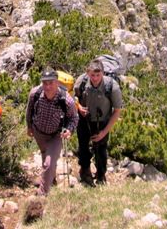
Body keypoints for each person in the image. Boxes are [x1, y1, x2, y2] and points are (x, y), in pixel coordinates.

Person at [26, 68, 78, 196]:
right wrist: (29, 126)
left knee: (48, 162)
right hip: (39, 132)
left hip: (56, 135)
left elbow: (74, 117)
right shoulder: (35, 94)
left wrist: (69, 130)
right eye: (45, 83)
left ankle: (42, 194)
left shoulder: (66, 100)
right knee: (45, 156)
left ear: (57, 83)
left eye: (51, 83)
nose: (48, 86)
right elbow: (29, 110)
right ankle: (51, 179)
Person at [74, 58, 123, 186]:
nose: (95, 78)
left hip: (102, 121)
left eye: (98, 75)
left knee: (100, 148)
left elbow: (117, 111)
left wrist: (104, 132)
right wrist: (79, 107)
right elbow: (74, 97)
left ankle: (101, 175)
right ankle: (85, 170)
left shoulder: (112, 86)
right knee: (83, 146)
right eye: (92, 75)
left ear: (103, 73)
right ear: (87, 73)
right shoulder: (82, 81)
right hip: (84, 120)